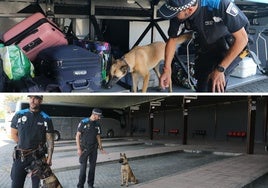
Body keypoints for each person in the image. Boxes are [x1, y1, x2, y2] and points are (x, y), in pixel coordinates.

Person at [158, 0, 249, 92]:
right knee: (202, 84)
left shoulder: (220, 4)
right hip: (207, 44)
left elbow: (242, 39)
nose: (173, 17)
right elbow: (172, 39)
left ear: (189, 10)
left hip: (233, 45)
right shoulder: (180, 11)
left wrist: (220, 69)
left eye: (175, 14)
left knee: (214, 84)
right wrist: (167, 69)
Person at [10, 95, 54, 188]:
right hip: (21, 157)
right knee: (15, 185)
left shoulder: (46, 118)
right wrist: (23, 145)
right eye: (31, 98)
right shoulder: (19, 114)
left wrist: (49, 158)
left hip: (38, 159)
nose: (32, 100)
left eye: (36, 98)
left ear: (41, 101)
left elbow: (50, 140)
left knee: (38, 186)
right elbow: (13, 134)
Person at [76, 108, 106, 188]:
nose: (99, 118)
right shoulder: (83, 122)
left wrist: (101, 147)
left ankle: (90, 185)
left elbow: (98, 137)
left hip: (94, 149)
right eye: (99, 116)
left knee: (92, 168)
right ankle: (80, 185)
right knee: (83, 168)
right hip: (84, 149)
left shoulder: (97, 125)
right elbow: (77, 135)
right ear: (94, 115)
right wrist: (79, 148)